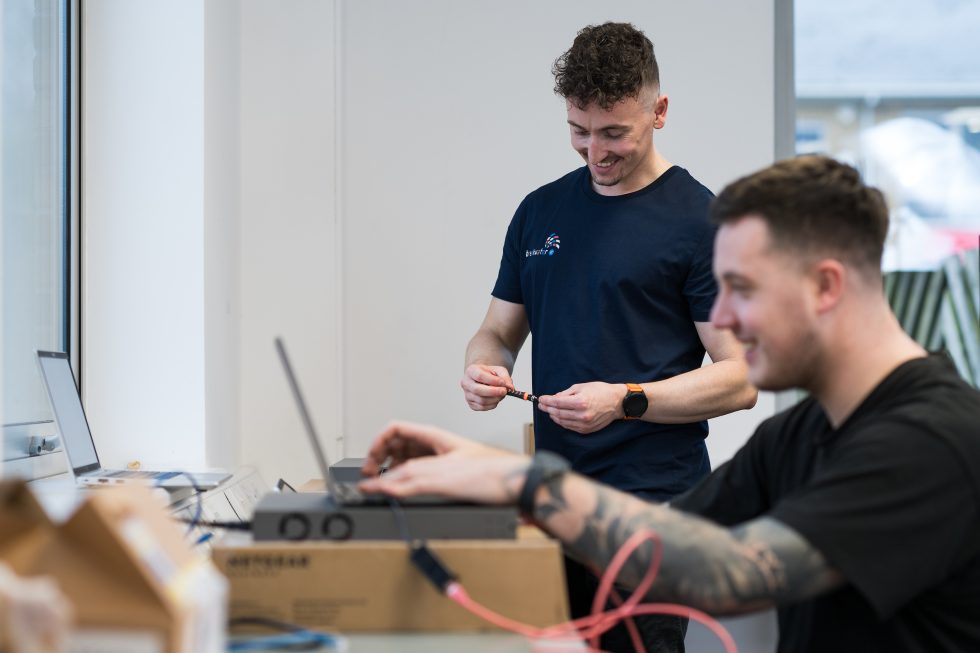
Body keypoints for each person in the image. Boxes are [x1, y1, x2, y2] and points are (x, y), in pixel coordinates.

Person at [363, 155, 980, 653]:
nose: (726, 318)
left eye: (742, 290)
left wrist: (522, 480)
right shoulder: (800, 434)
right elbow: (659, 546)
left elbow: (728, 571)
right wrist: (477, 470)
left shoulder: (928, 442)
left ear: (825, 286)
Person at [460, 22, 756, 651]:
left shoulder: (701, 223)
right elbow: (495, 332)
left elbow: (741, 377)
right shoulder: (539, 211)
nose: (595, 152)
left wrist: (625, 398)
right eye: (579, 131)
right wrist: (483, 368)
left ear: (660, 112)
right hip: (550, 500)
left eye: (614, 133)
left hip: (651, 506)